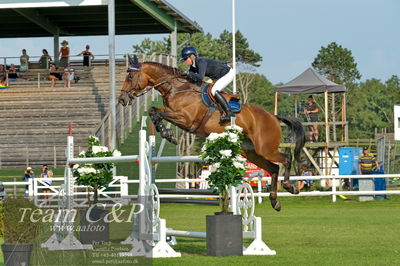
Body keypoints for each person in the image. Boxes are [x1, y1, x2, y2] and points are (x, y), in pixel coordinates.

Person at [180, 46, 235, 123]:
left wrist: (188, 74)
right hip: (218, 77)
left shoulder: (201, 62)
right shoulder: (192, 67)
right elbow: (194, 82)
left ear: (192, 56)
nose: (184, 61)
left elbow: (200, 77)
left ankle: (229, 113)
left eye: (185, 59)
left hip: (228, 73)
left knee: (214, 91)